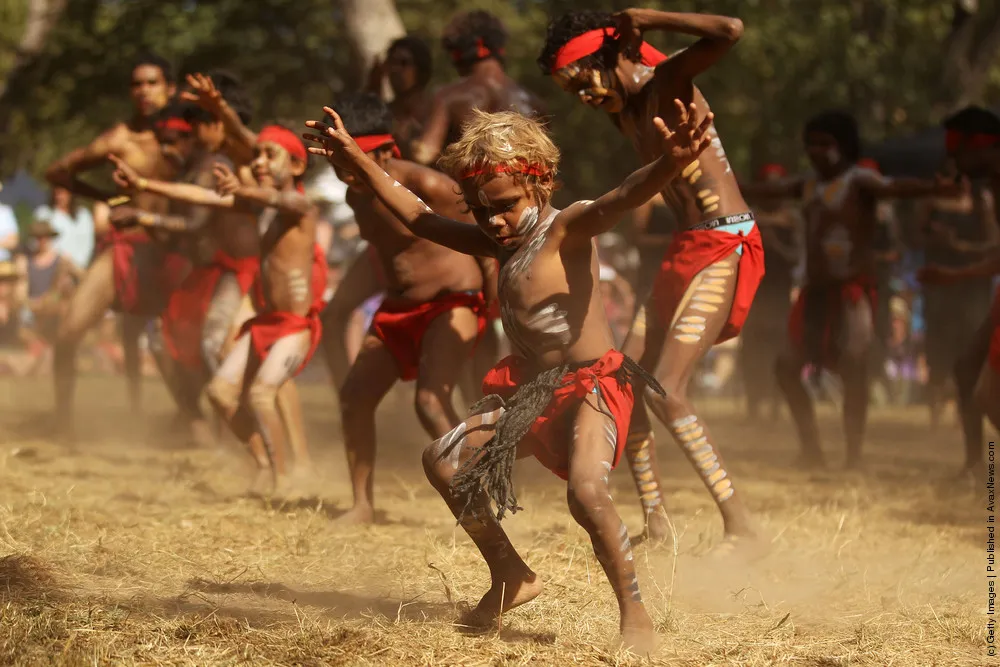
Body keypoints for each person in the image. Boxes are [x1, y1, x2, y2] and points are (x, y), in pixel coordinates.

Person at [305, 97, 712, 652]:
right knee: (443, 459)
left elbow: (625, 194)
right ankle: (510, 575)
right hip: (533, 390)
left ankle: (635, 614)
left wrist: (670, 164)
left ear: (539, 183)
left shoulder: (569, 227)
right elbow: (418, 214)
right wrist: (356, 155)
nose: (492, 221)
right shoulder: (496, 242)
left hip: (593, 385)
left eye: (504, 205)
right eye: (479, 210)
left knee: (587, 494)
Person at [539, 8, 761, 547]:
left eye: (583, 79)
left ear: (608, 56)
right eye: (572, 90)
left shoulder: (668, 82)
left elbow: (729, 29)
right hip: (684, 247)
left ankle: (742, 525)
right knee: (622, 383)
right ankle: (657, 524)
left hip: (725, 242)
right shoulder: (626, 113)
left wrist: (647, 17)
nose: (584, 97)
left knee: (668, 391)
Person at [114, 124, 324, 492]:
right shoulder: (258, 205)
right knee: (220, 393)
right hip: (265, 323)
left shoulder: (301, 206)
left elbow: (286, 202)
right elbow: (200, 196)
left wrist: (241, 189)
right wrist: (144, 186)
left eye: (268, 155)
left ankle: (286, 478)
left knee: (260, 394)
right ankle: (262, 462)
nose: (258, 162)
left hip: (294, 327)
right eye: (255, 154)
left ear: (295, 166)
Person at [745, 111, 957, 468]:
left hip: (851, 293)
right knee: (786, 367)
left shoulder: (860, 181)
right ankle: (811, 448)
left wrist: (934, 187)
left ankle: (853, 455)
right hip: (815, 292)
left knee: (854, 365)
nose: (815, 151)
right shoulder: (808, 184)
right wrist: (711, 179)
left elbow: (894, 188)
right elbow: (766, 190)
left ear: (843, 147)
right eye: (811, 144)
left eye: (824, 144)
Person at [321, 93, 492, 524]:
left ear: (383, 151)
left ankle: (480, 503)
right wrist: (347, 302)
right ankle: (363, 504)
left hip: (454, 302)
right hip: (398, 308)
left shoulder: (431, 186)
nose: (346, 173)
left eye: (352, 159)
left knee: (431, 402)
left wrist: (498, 309)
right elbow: (384, 248)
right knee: (354, 398)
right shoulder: (355, 194)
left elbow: (489, 245)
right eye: (338, 163)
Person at [44, 53, 181, 432]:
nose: (144, 91)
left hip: (178, 248)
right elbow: (56, 170)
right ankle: (62, 421)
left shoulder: (188, 136)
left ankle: (196, 421)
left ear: (169, 88)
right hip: (128, 245)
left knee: (184, 347)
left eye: (152, 83)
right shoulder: (120, 138)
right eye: (137, 84)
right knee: (69, 331)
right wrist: (104, 197)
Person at [919, 106, 1000, 476]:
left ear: (980, 147)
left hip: (978, 291)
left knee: (980, 384)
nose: (955, 164)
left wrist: (957, 270)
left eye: (958, 154)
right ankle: (973, 463)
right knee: (967, 370)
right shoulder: (992, 185)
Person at [410, 10, 545, 167]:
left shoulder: (448, 97)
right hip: (522, 189)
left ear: (458, 53)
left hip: (464, 189)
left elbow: (424, 154)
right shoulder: (535, 103)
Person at [917, 169, 996, 428]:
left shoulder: (982, 202)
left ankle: (967, 414)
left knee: (970, 349)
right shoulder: (930, 203)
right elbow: (916, 236)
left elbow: (993, 246)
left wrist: (958, 246)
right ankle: (936, 404)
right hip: (940, 286)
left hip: (972, 288)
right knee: (938, 348)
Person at [739, 163, 802, 421]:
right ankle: (754, 405)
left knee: (780, 352)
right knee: (752, 353)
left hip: (780, 297)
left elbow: (797, 257)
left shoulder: (793, 220)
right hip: (753, 296)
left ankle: (777, 405)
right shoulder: (747, 218)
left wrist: (775, 245)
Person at [366, 36, 434, 162]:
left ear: (420, 68)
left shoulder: (436, 111)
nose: (395, 69)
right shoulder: (384, 112)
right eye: (391, 62)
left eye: (404, 63)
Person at [33, 187, 95, 271]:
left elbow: (88, 244)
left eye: (63, 193)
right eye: (57, 193)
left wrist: (76, 267)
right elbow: (36, 244)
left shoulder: (83, 215)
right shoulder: (45, 214)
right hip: (53, 270)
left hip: (79, 269)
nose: (60, 197)